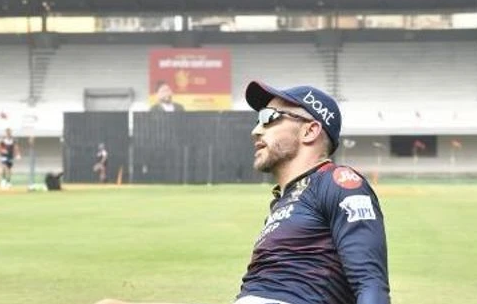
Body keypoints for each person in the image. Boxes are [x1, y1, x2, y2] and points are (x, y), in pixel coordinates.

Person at [94, 81, 390, 304]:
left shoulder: (338, 182)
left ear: (310, 131)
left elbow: (370, 283)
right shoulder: (283, 201)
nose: (256, 130)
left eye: (269, 117)